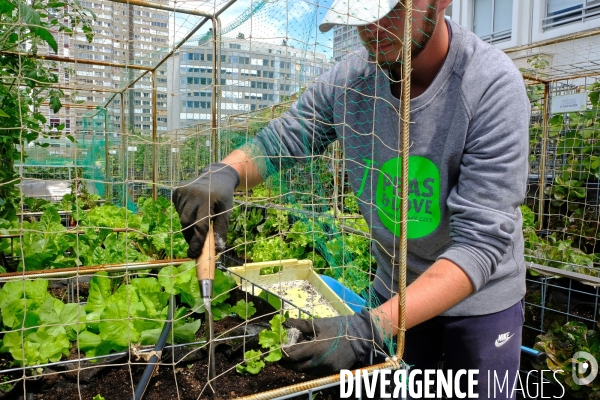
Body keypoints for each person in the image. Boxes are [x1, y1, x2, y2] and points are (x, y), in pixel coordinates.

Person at [173, 0, 530, 397]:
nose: (371, 28)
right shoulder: (351, 79)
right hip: (393, 288)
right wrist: (225, 173)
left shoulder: (490, 84)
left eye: (388, 10)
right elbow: (284, 139)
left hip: (478, 304)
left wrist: (368, 329)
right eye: (359, 15)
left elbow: (480, 244)